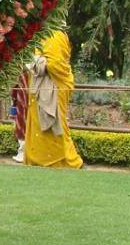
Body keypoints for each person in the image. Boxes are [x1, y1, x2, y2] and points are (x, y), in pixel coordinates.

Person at [24, 29, 83, 168]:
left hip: (53, 87)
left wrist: (35, 60)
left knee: (56, 125)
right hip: (38, 88)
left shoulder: (56, 35)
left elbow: (56, 64)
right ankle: (37, 159)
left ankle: (66, 161)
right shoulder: (40, 35)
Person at [10, 71, 29, 162]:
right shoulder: (20, 73)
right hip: (20, 101)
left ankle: (23, 153)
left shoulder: (26, 73)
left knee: (23, 124)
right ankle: (22, 152)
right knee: (21, 124)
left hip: (26, 102)